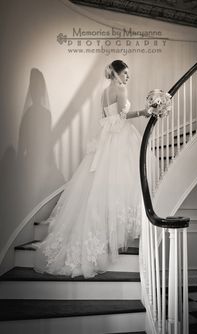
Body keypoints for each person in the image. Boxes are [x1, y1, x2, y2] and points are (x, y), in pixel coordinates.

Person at [33, 60, 151, 278]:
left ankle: (104, 225)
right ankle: (112, 226)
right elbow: (123, 117)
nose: (127, 77)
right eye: (125, 73)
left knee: (100, 185)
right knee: (122, 181)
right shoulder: (121, 89)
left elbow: (107, 118)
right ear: (116, 73)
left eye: (128, 74)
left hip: (107, 139)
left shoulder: (105, 91)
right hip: (119, 138)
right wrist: (144, 112)